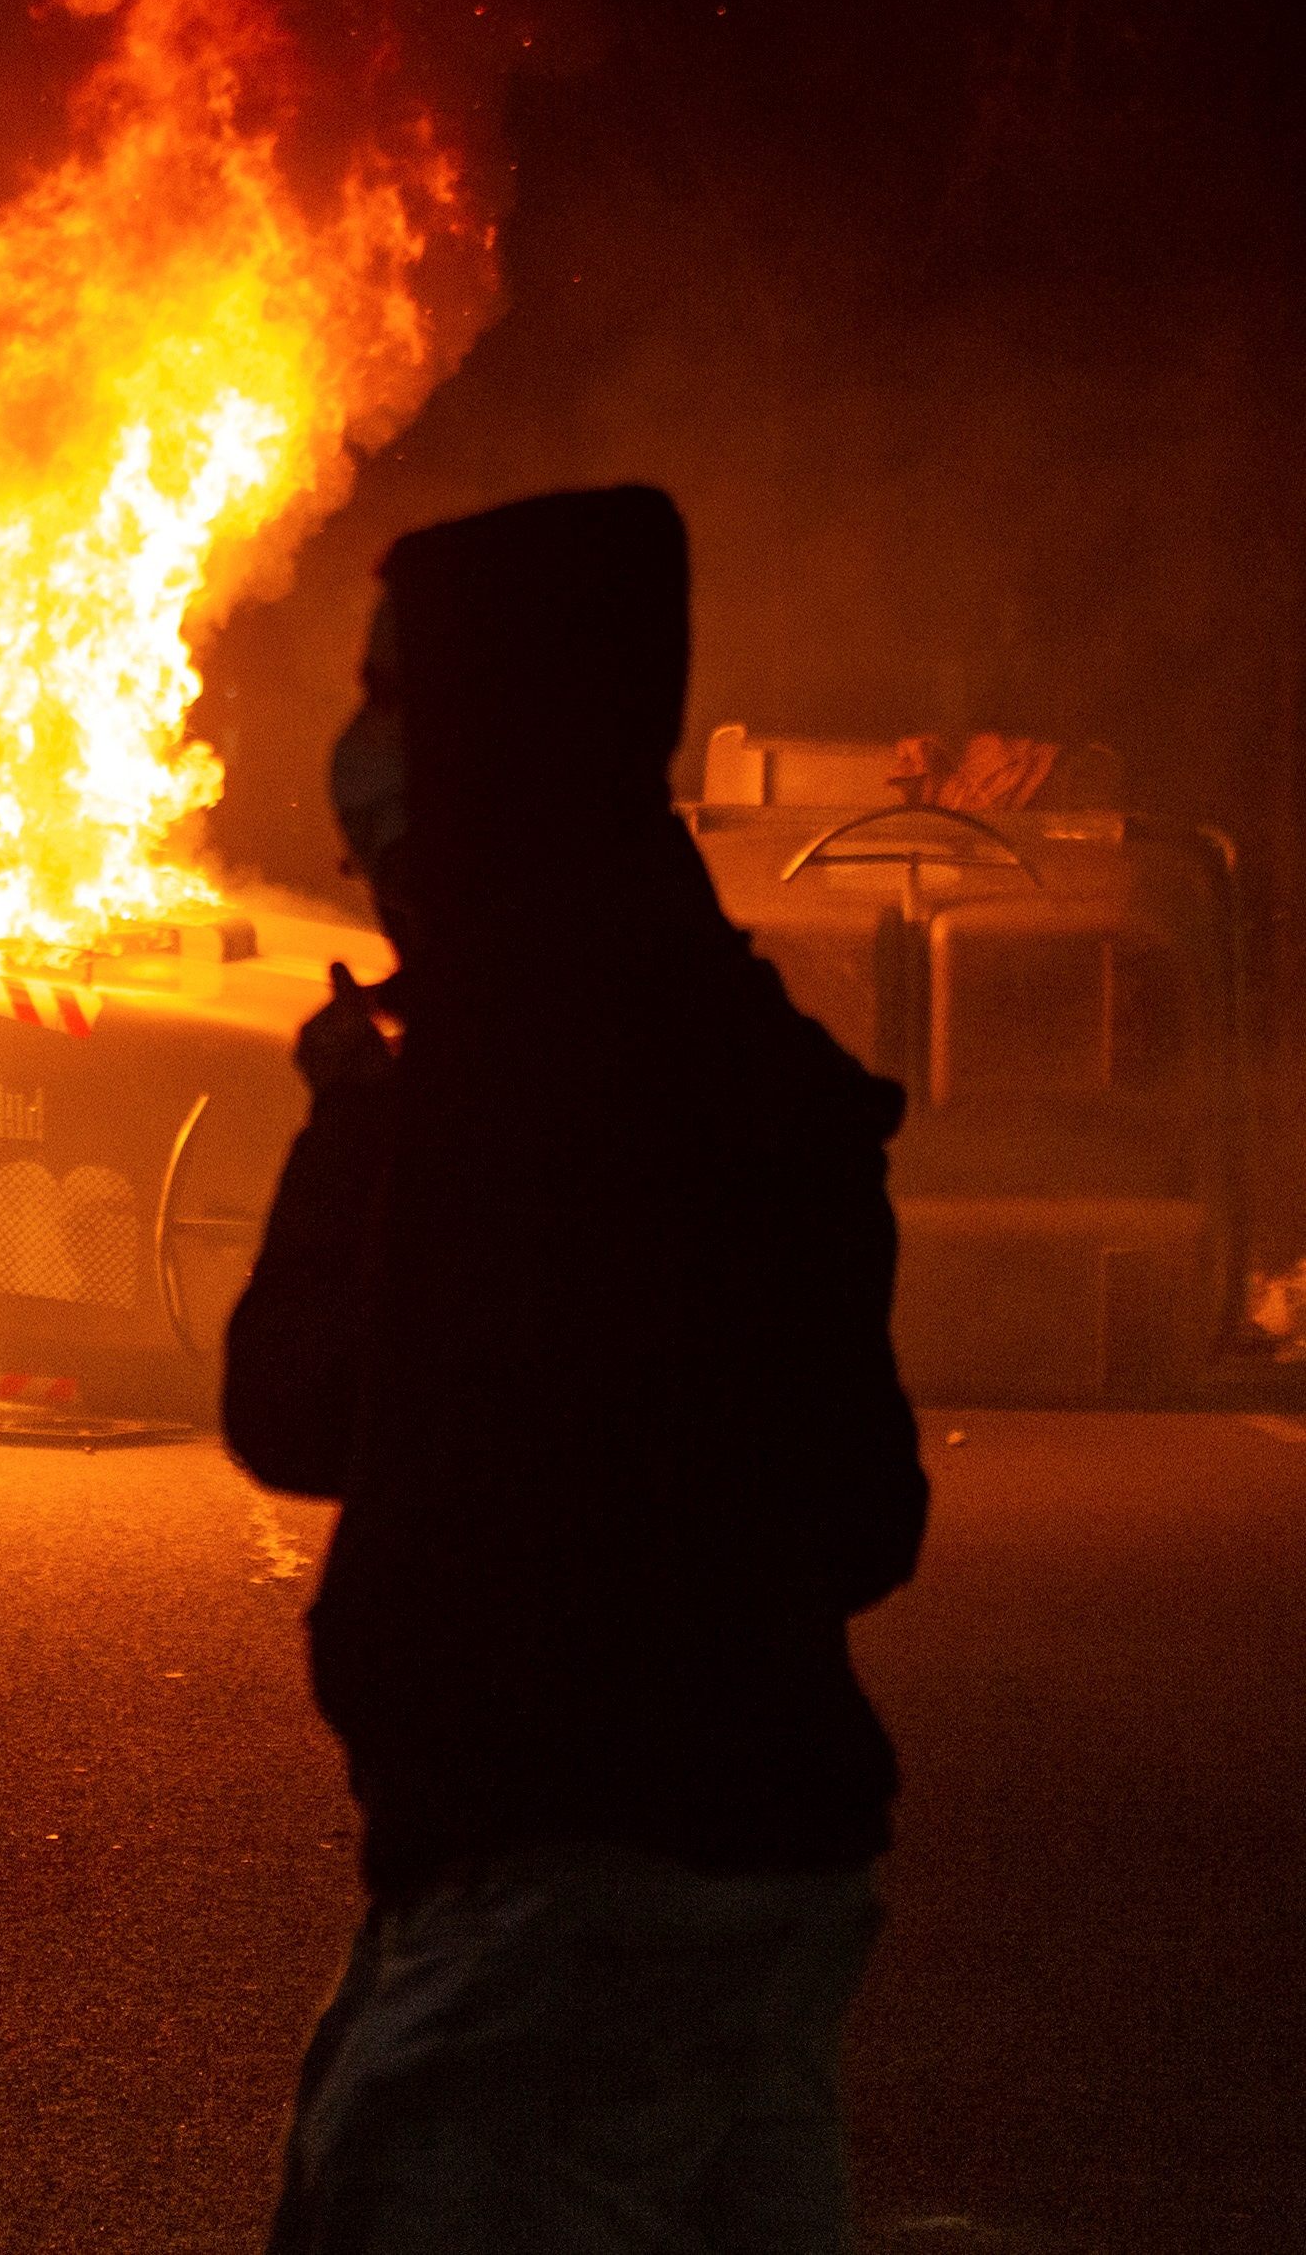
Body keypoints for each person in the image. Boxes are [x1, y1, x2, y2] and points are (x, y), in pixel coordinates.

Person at [225, 488, 930, 2253]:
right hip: (774, 1873)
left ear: (495, 720)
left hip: (556, 1892)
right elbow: (866, 1512)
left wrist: (347, 1124)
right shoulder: (741, 1037)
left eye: (392, 693)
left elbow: (294, 1402)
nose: (359, 746)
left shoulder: (510, 1059)